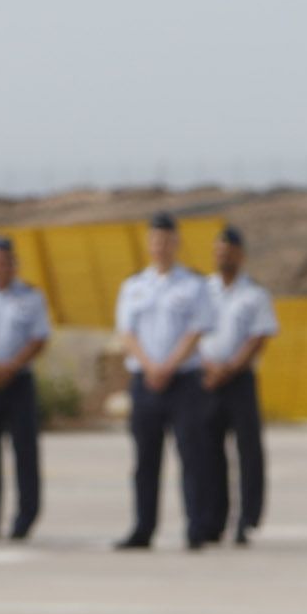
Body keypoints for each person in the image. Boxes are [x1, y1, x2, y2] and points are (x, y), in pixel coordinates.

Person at [112, 212, 217, 550]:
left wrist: (169, 365)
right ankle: (143, 527)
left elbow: (197, 330)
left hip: (183, 380)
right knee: (145, 460)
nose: (161, 246)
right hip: (145, 381)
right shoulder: (134, 286)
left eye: (167, 240)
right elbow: (126, 333)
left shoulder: (193, 285)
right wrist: (150, 366)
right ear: (149, 244)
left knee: (192, 455)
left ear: (177, 243)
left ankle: (196, 526)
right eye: (155, 240)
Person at [198, 225, 278, 545]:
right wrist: (209, 367)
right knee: (208, 452)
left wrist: (230, 368)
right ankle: (213, 519)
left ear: (240, 255)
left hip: (239, 380)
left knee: (247, 451)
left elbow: (258, 337)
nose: (223, 257)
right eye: (218, 251)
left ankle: (247, 518)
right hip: (206, 376)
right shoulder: (202, 291)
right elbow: (193, 332)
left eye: (228, 252)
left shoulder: (254, 294)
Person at [0, 235, 52, 540]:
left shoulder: (30, 296)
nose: (1, 267)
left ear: (14, 265)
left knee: (24, 451)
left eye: (7, 262)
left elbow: (39, 338)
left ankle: (25, 517)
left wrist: (10, 367)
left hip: (17, 381)